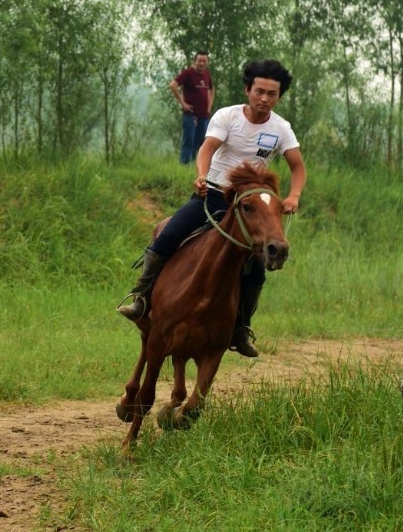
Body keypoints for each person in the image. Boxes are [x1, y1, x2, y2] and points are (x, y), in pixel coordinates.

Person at [119, 58, 305, 358]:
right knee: (167, 237)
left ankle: (241, 327)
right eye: (259, 91)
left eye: (272, 94)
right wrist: (202, 176)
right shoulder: (227, 117)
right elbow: (207, 150)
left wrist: (294, 196)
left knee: (256, 272)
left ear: (279, 96)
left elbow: (298, 167)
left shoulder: (281, 128)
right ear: (247, 89)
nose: (264, 98)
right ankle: (141, 297)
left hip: (250, 210)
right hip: (213, 197)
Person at [170, 51, 215, 164]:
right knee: (188, 142)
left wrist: (209, 105)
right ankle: (184, 167)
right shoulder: (188, 73)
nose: (201, 63)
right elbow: (173, 85)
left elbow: (212, 89)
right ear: (195, 61)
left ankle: (197, 167)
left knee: (201, 144)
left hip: (204, 116)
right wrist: (183, 103)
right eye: (199, 60)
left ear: (207, 62)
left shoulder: (207, 74)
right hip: (191, 115)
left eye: (204, 61)